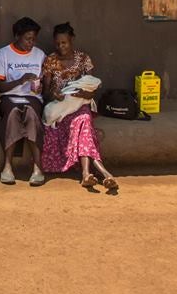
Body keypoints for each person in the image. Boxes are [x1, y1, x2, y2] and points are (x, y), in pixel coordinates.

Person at [40, 22, 119, 190]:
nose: (61, 46)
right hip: (60, 109)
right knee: (83, 125)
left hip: (80, 104)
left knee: (83, 119)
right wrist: (55, 94)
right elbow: (45, 92)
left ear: (72, 40)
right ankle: (103, 173)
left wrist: (85, 94)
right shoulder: (51, 60)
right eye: (58, 43)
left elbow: (91, 87)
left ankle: (88, 174)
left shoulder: (83, 59)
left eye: (64, 42)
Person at [0, 17, 46, 186]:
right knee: (14, 113)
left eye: (34, 39)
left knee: (30, 113)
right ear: (16, 36)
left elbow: (44, 82)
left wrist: (40, 86)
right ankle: (7, 167)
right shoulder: (3, 54)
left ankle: (37, 168)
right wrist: (20, 81)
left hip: (33, 98)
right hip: (9, 97)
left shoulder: (40, 55)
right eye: (28, 38)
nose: (31, 42)